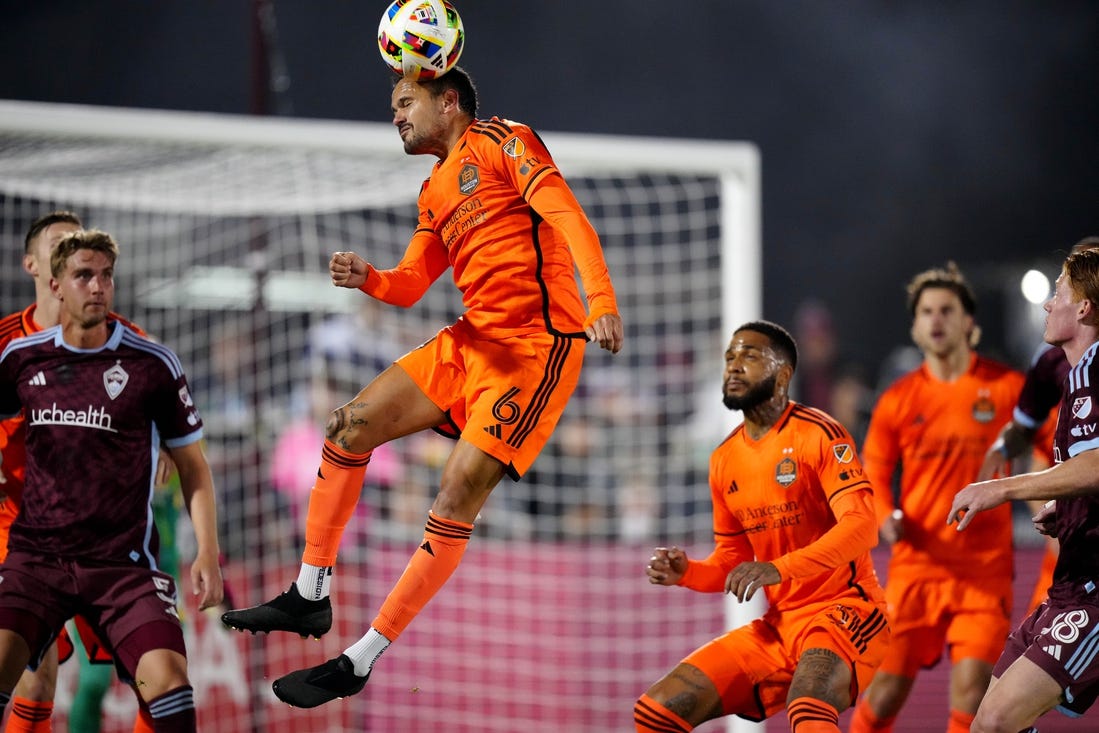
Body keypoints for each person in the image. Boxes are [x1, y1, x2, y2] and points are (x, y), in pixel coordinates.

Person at [220, 65, 624, 708]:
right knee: (349, 424)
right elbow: (412, 282)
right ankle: (310, 592)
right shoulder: (434, 188)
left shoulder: (504, 141)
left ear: (450, 100)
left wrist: (599, 297)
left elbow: (569, 217)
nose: (396, 114)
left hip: (533, 350)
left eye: (406, 100)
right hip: (471, 341)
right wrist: (371, 277)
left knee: (455, 490)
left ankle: (361, 658)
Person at [0, 229, 223, 733]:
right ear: (55, 285)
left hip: (121, 567)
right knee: (17, 674)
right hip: (37, 560)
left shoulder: (152, 364)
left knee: (169, 684)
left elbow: (195, 467)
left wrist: (207, 551)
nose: (97, 286)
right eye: (84, 275)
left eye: (106, 276)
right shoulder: (21, 358)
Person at [636, 320, 889, 733]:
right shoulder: (723, 460)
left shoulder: (820, 434)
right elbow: (732, 562)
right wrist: (688, 573)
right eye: (730, 357)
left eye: (750, 356)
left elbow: (862, 527)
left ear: (783, 375)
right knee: (656, 711)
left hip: (845, 610)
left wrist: (778, 568)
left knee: (809, 706)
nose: (734, 366)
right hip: (779, 626)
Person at [849, 262, 1025, 733]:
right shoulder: (899, 399)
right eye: (926, 311)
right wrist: (885, 518)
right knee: (884, 694)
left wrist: (1047, 503)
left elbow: (1050, 448)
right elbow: (874, 472)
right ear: (915, 326)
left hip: (983, 570)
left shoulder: (1008, 389)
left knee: (972, 692)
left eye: (947, 309)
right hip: (917, 567)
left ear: (969, 322)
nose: (936, 320)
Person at [948, 246, 1099, 732]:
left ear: (1084, 308)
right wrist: (1069, 505)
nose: (1045, 302)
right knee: (990, 725)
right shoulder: (1075, 375)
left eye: (1058, 291)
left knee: (994, 721)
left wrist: (1001, 489)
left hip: (1096, 592)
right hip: (1071, 584)